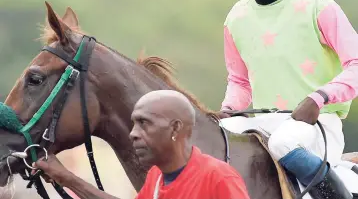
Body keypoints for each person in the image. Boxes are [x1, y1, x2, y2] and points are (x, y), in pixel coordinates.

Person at [217, 0, 358, 199]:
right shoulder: (236, 18)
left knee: (283, 143)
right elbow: (240, 81)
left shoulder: (318, 5)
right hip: (261, 124)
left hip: (316, 125)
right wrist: (228, 110)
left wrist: (317, 99)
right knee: (214, 138)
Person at [33, 90, 251, 199]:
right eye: (134, 124)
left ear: (175, 128)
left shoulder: (218, 177)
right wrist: (63, 177)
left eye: (144, 124)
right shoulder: (156, 177)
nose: (133, 134)